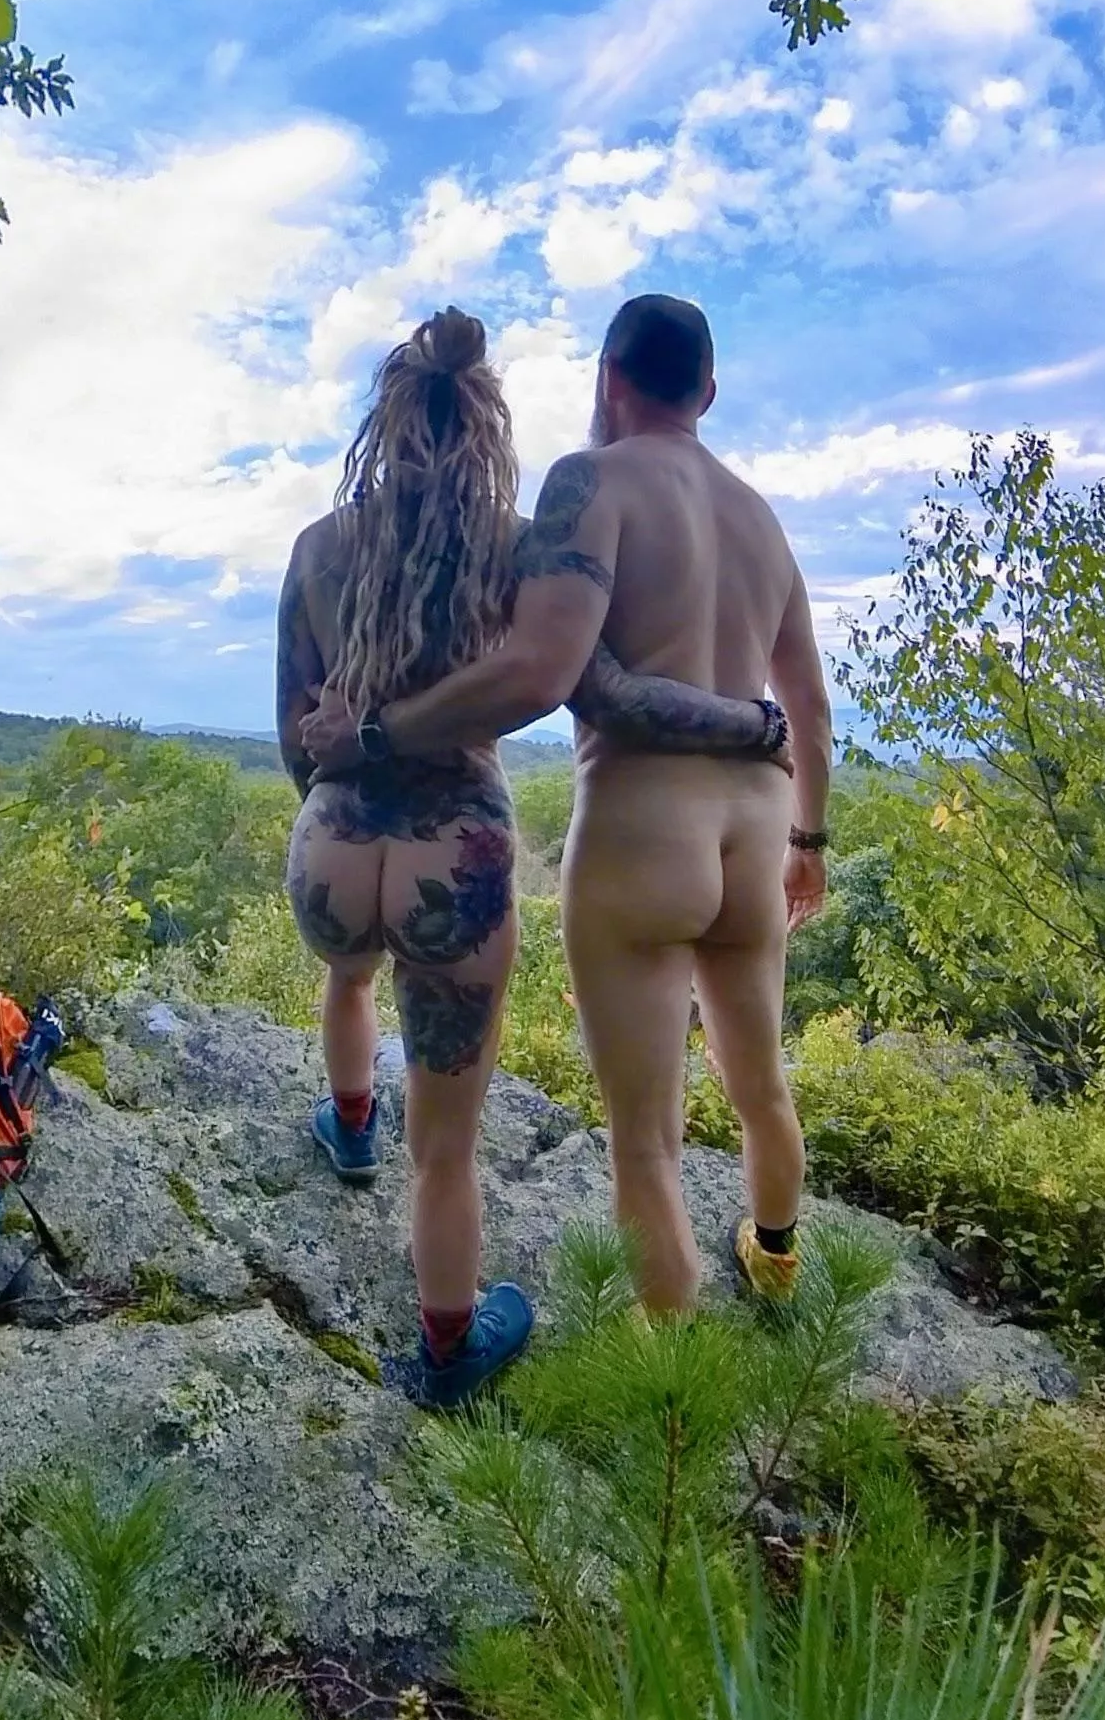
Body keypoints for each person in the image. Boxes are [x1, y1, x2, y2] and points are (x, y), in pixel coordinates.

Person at [274, 308, 778, 1405]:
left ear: (383, 420)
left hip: (334, 846)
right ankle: (449, 1347)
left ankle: (347, 1123)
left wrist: (341, 801)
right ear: (487, 426)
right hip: (455, 853)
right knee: (445, 1147)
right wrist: (753, 725)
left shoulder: (318, 548)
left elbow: (292, 732)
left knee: (349, 976)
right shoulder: (518, 548)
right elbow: (602, 691)